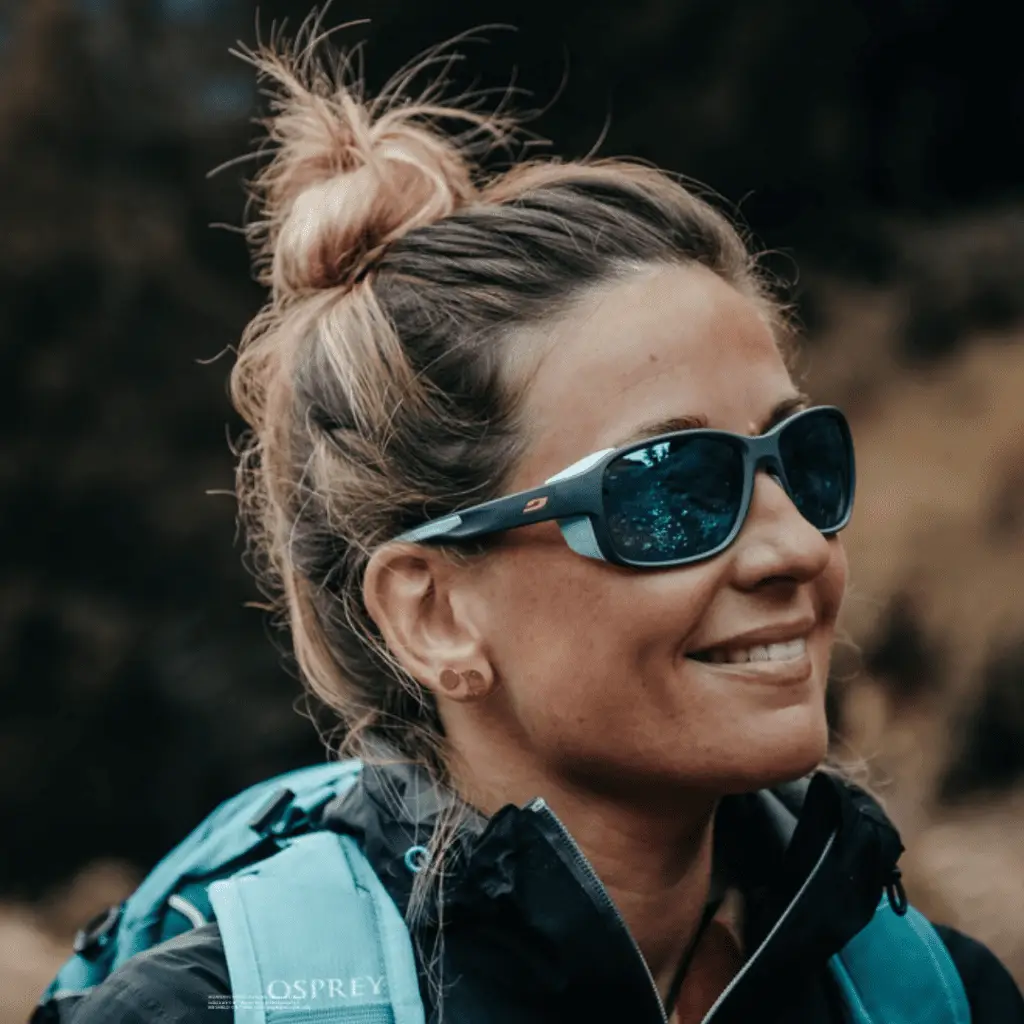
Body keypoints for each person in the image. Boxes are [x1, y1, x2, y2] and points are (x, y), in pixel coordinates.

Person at [39, 16, 1024, 1024]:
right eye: (669, 484)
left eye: (799, 461)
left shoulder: (936, 996)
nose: (795, 548)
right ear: (433, 613)